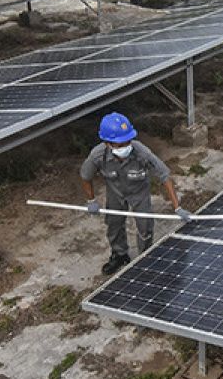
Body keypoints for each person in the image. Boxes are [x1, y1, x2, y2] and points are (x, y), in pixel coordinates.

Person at [80, 112, 191, 275]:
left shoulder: (141, 152)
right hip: (115, 193)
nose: (125, 146)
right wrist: (91, 201)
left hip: (139, 193)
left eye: (127, 141)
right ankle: (119, 255)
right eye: (120, 144)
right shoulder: (97, 155)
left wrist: (177, 207)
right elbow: (85, 176)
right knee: (114, 224)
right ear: (107, 143)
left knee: (145, 226)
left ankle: (145, 258)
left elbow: (164, 176)